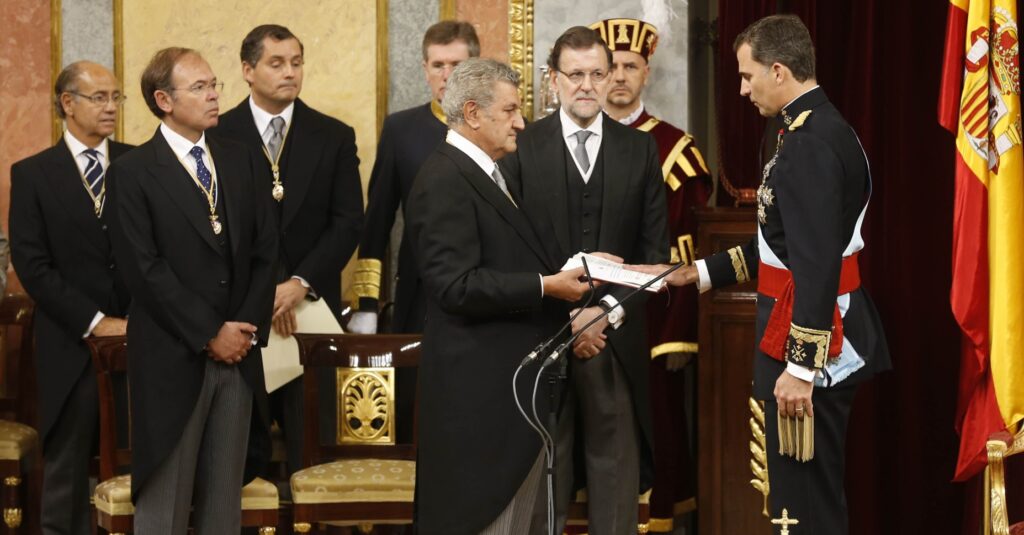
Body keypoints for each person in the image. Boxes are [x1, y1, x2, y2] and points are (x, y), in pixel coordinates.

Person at [632, 15, 890, 534]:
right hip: (803, 326)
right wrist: (698, 272)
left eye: (747, 77)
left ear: (778, 70)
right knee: (795, 496)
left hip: (813, 340)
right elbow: (780, 245)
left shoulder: (810, 144)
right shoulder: (806, 127)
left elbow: (815, 264)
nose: (743, 90)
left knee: (803, 505)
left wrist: (800, 367)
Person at [407, 57, 591, 535]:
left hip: (512, 394)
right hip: (479, 400)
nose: (520, 122)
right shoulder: (444, 178)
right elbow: (454, 286)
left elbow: (507, 258)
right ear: (472, 113)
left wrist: (571, 274)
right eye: (509, 110)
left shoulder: (490, 172)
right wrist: (546, 286)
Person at [499, 25, 669, 535]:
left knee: (615, 482)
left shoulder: (640, 151)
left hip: (612, 341)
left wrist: (605, 312)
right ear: (553, 80)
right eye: (575, 75)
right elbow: (508, 251)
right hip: (541, 338)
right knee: (540, 479)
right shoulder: (520, 148)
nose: (589, 85)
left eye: (600, 73)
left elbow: (655, 256)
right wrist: (566, 310)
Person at [106, 47, 277, 533]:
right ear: (164, 99)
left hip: (239, 355)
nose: (214, 95)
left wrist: (241, 331)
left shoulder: (241, 159)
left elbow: (267, 250)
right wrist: (209, 333)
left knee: (223, 504)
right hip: (172, 356)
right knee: (166, 503)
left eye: (214, 85)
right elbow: (144, 271)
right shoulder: (133, 172)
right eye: (200, 87)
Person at [210, 23, 364, 478]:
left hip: (309, 314)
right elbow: (215, 226)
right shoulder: (218, 133)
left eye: (296, 63)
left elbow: (348, 221)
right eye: (276, 63)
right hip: (239, 317)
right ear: (247, 70)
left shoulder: (333, 135)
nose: (289, 73)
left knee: (312, 450)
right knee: (240, 455)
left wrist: (298, 283)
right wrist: (266, 292)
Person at [590, 17, 712, 525]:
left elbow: (689, 252)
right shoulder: (573, 140)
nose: (619, 76)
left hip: (651, 321)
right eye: (610, 67)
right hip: (584, 317)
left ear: (646, 73)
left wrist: (677, 335)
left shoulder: (676, 150)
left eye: (630, 67)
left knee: (656, 430)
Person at [10, 60, 131, 535]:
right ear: (67, 103)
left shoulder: (139, 163)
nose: (111, 107)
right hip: (70, 341)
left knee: (142, 463)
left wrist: (137, 320)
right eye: (99, 97)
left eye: (115, 97)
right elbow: (32, 265)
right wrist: (95, 320)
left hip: (139, 337)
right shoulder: (34, 175)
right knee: (67, 470)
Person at [349, 20, 480, 336]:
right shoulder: (401, 129)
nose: (446, 75)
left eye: (457, 65)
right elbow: (378, 221)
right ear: (425, 69)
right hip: (419, 289)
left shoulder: (504, 124)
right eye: (438, 65)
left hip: (485, 288)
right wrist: (367, 304)